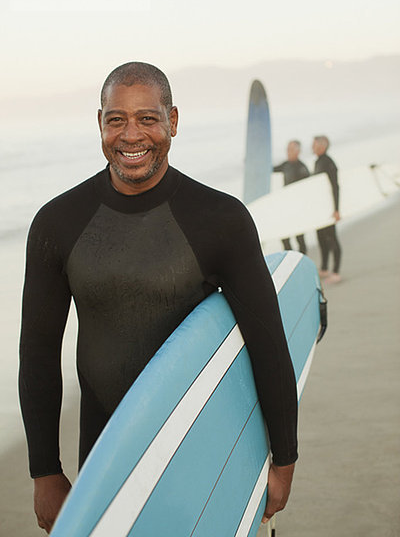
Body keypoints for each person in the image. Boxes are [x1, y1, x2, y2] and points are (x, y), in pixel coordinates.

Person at [19, 62, 298, 533]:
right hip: (106, 456)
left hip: (204, 448)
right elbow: (39, 353)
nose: (131, 135)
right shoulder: (57, 223)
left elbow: (268, 343)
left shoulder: (220, 219)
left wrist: (284, 458)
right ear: (100, 123)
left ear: (172, 121)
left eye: (147, 118)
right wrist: (45, 471)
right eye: (116, 119)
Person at [312, 135, 342, 283]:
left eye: (315, 144)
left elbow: (335, 187)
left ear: (322, 146)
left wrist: (336, 209)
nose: (312, 146)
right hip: (321, 209)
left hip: (329, 208)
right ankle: (324, 268)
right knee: (321, 238)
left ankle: (336, 272)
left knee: (332, 239)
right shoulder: (318, 161)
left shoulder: (329, 163)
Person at [273, 140, 310, 254]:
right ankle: (290, 257)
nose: (287, 152)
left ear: (297, 151)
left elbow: (308, 190)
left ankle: (302, 259)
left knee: (299, 236)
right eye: (287, 149)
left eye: (290, 150)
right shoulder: (286, 165)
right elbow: (271, 169)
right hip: (286, 206)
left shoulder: (302, 168)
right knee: (284, 236)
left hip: (298, 207)